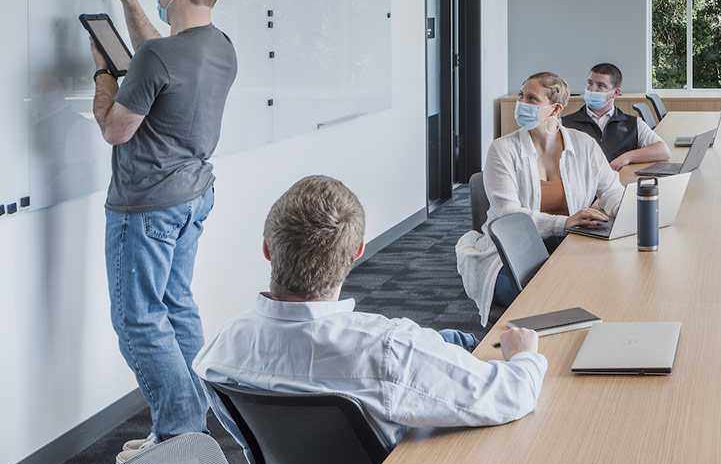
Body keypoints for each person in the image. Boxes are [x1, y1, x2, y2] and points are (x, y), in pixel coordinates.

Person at [196, 176, 545, 449]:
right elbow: (512, 395)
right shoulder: (388, 349)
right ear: (358, 251)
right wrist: (524, 356)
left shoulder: (219, 349)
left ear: (267, 250)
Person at [90, 0, 238, 464]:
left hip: (147, 204)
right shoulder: (220, 46)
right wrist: (129, 0)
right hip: (193, 195)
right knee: (176, 305)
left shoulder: (157, 58)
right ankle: (193, 422)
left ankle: (177, 438)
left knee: (138, 319)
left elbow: (115, 129)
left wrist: (103, 74)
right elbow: (158, 51)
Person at [456, 71, 623, 323]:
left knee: (603, 287)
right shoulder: (502, 150)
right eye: (521, 95)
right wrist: (562, 223)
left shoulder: (584, 145)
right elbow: (508, 215)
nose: (521, 103)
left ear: (555, 109)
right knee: (549, 299)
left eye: (532, 99)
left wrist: (630, 211)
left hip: (569, 246)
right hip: (511, 254)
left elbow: (611, 191)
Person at [562, 61, 672, 172]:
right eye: (590, 83)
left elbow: (663, 151)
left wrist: (626, 157)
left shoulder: (633, 123)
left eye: (600, 86)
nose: (592, 89)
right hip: (582, 186)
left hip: (620, 183)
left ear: (616, 92)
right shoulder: (565, 124)